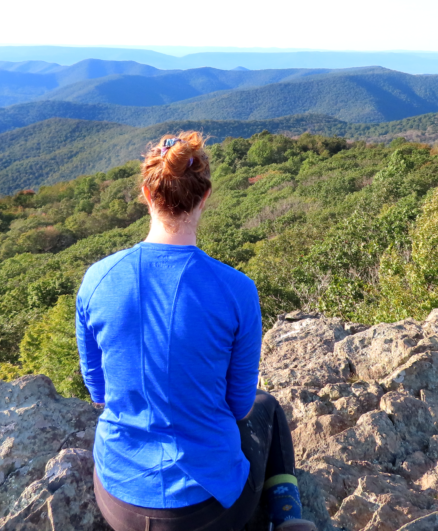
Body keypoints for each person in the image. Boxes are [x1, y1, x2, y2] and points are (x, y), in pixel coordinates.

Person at [76, 132, 317, 531]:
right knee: (266, 407)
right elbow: (240, 407)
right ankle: (286, 517)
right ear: (205, 197)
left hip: (120, 501)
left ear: (146, 194)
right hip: (207, 509)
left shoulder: (97, 279)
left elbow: (98, 393)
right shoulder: (235, 289)